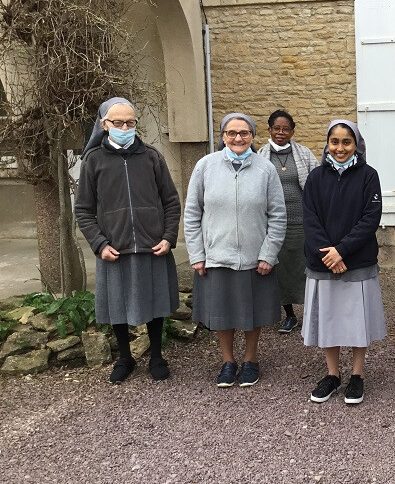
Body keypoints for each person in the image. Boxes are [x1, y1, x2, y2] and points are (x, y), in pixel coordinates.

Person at [75, 97, 180, 383]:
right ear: (103, 125)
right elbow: (83, 210)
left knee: (156, 302)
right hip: (114, 247)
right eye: (117, 122)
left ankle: (157, 355)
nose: (124, 127)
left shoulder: (152, 157)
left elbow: (171, 201)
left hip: (152, 246)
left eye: (130, 122)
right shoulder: (93, 161)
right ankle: (125, 357)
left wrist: (169, 237)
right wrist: (98, 243)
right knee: (118, 304)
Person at [184, 113, 287, 388]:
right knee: (222, 313)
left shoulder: (265, 170)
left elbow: (278, 215)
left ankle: (251, 359)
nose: (237, 138)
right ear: (223, 136)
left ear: (252, 136)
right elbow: (192, 213)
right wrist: (197, 254)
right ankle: (228, 361)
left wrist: (268, 253)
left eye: (244, 133)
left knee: (253, 313)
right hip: (217, 255)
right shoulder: (205, 167)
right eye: (231, 133)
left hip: (255, 257)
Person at [301, 119, 385, 405]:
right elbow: (310, 219)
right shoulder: (315, 178)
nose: (340, 148)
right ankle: (333, 374)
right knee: (329, 318)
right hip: (324, 261)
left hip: (356, 261)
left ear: (356, 145)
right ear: (327, 144)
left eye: (346, 142)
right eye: (334, 142)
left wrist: (343, 251)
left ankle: (357, 375)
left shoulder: (368, 176)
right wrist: (329, 254)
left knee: (356, 320)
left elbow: (370, 219)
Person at [258, 109, 319, 334]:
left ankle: (314, 314)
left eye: (286, 129)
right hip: (274, 225)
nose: (281, 132)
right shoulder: (260, 157)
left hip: (302, 223)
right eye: (276, 128)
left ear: (292, 131)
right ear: (270, 130)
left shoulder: (303, 154)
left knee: (307, 268)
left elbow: (317, 183)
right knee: (281, 272)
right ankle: (290, 315)